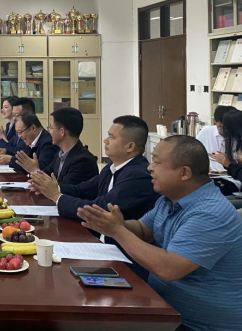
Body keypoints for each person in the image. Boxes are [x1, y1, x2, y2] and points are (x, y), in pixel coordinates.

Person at [78, 136, 242, 331]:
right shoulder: (168, 199)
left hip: (196, 324)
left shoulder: (210, 213)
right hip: (161, 307)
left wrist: (117, 231)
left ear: (184, 173)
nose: (149, 167)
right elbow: (143, 230)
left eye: (156, 162)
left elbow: (168, 269)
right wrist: (113, 224)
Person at [29, 115, 159, 224]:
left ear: (130, 147)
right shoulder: (110, 167)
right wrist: (51, 188)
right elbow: (82, 190)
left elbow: (101, 208)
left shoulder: (138, 175)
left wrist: (57, 196)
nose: (105, 140)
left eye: (112, 137)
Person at [15, 107, 98, 186]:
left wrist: (34, 170)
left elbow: (64, 189)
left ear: (62, 132)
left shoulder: (83, 161)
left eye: (51, 127)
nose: (49, 132)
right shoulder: (60, 153)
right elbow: (47, 174)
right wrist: (35, 172)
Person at [0, 97, 36, 163]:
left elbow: (19, 153)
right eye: (13, 115)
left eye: (16, 115)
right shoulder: (18, 129)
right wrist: (5, 150)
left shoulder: (29, 132)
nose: (14, 118)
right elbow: (12, 147)